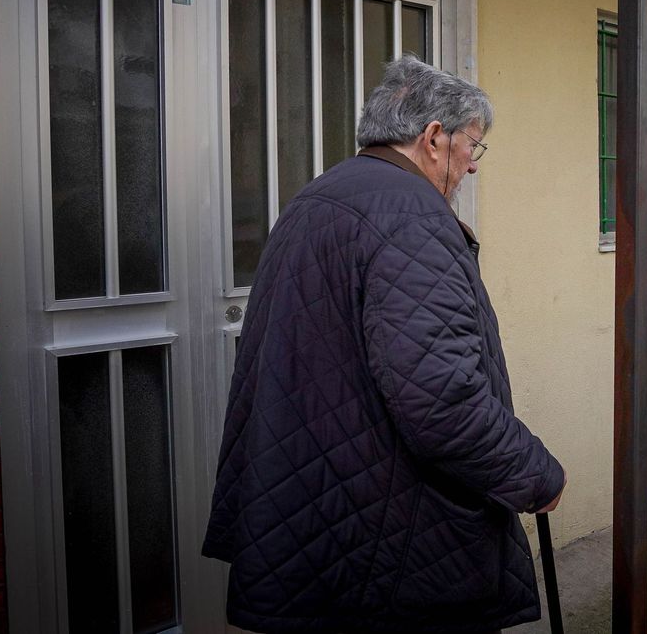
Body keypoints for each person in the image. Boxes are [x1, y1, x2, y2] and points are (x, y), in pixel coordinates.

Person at [204, 55, 566, 633]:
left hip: (319, 514)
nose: (473, 166)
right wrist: (534, 474)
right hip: (393, 536)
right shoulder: (412, 217)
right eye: (473, 145)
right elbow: (442, 397)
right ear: (432, 138)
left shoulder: (316, 198)